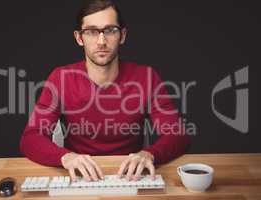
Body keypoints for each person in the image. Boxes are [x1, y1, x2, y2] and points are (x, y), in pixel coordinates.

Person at [20, 0, 190, 182]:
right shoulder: (61, 78)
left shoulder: (147, 77)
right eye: (92, 32)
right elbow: (31, 138)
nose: (101, 41)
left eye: (110, 30)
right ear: (79, 38)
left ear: (122, 35)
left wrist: (150, 154)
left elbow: (177, 134)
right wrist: (66, 157)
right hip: (80, 178)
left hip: (131, 177)